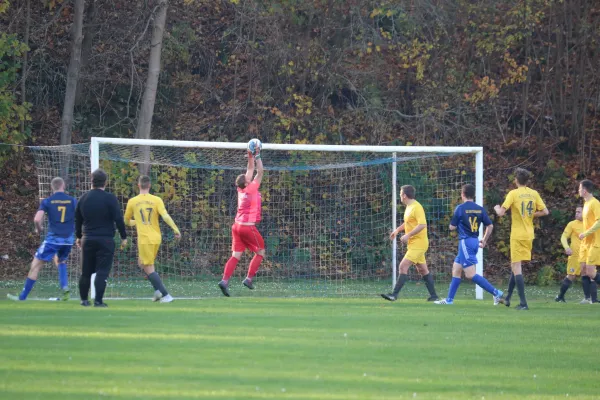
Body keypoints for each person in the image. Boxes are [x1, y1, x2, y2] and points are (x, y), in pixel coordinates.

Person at [7, 177, 76, 301]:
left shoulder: (48, 201)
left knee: (35, 265)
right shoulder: (72, 201)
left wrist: (38, 229)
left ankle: (22, 297)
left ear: (52, 187)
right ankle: (65, 287)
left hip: (53, 239)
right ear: (63, 186)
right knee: (61, 261)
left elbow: (37, 219)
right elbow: (80, 216)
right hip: (68, 239)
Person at [434, 184, 503, 305]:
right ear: (473, 195)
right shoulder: (480, 208)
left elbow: (452, 227)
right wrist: (484, 240)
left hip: (465, 242)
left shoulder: (460, 208)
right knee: (456, 269)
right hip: (475, 241)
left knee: (470, 274)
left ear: (462, 194)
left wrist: (452, 224)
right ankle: (449, 300)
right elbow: (490, 225)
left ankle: (496, 292)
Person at [494, 168, 549, 310]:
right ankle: (507, 299)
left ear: (516, 180)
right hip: (529, 234)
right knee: (515, 266)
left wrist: (496, 208)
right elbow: (545, 211)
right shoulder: (533, 193)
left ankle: (523, 303)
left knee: (516, 267)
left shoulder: (514, 194)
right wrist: (530, 215)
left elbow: (501, 213)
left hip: (517, 235)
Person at [124, 175, 181, 303]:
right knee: (142, 263)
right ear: (149, 186)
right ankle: (157, 292)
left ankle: (166, 295)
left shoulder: (132, 201)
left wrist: (135, 222)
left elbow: (126, 221)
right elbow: (165, 216)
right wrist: (175, 229)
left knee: (148, 267)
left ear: (138, 185)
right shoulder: (157, 200)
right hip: (156, 237)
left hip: (145, 239)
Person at [75, 169, 127, 307]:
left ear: (91, 181)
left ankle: (84, 300)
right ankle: (98, 301)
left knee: (85, 272)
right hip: (106, 239)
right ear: (105, 182)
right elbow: (118, 218)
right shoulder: (110, 198)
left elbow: (77, 220)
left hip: (88, 238)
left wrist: (78, 236)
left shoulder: (83, 198)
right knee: (102, 271)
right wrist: (124, 236)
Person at [218, 147, 265, 297]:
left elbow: (250, 169)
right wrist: (257, 156)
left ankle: (224, 281)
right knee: (261, 252)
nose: (248, 177)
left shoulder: (241, 189)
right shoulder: (251, 188)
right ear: (246, 182)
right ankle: (249, 279)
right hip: (247, 227)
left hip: (236, 226)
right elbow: (260, 171)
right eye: (247, 178)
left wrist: (250, 156)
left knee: (235, 256)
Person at [381, 185, 439, 302]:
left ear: (405, 195)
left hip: (419, 243)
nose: (400, 196)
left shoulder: (417, 207)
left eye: (400, 194)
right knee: (423, 270)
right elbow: (408, 223)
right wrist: (397, 230)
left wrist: (408, 235)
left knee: (403, 266)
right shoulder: (409, 207)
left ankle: (394, 295)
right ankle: (434, 296)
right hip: (414, 244)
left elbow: (422, 224)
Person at [555, 206, 597, 303]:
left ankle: (593, 300)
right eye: (576, 211)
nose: (576, 213)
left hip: (588, 254)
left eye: (579, 212)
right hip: (575, 255)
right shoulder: (572, 224)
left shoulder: (591, 224)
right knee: (571, 275)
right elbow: (563, 237)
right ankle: (560, 297)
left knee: (591, 275)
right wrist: (566, 247)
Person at [578, 180, 600, 301]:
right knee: (583, 269)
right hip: (585, 243)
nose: (578, 191)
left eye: (579, 189)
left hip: (594, 242)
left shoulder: (594, 203)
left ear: (585, 190)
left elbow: (599, 222)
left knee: (591, 272)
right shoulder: (585, 203)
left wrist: (585, 233)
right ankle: (587, 299)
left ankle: (592, 298)